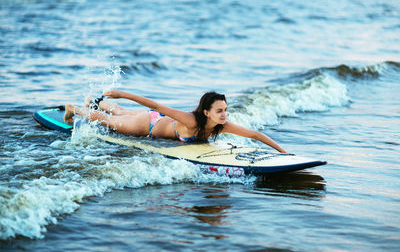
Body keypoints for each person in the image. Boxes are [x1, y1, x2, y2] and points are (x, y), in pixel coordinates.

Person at [64, 89, 288, 153]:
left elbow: (255, 135)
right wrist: (124, 93)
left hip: (155, 120)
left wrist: (283, 152)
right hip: (148, 125)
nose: (224, 115)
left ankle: (92, 101)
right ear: (206, 112)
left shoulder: (222, 125)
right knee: (108, 122)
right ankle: (74, 109)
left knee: (122, 113)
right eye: (219, 111)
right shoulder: (191, 120)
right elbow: (157, 107)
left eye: (226, 110)